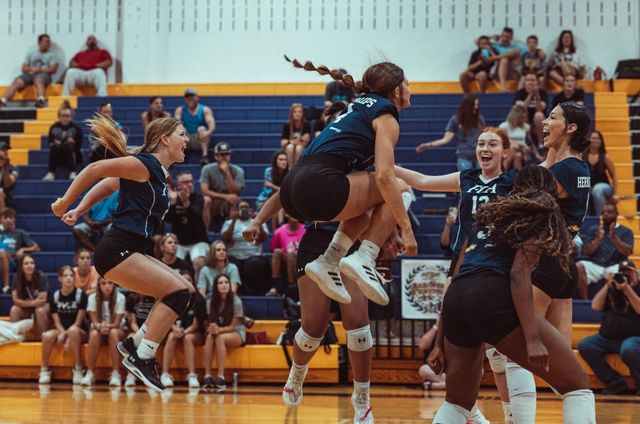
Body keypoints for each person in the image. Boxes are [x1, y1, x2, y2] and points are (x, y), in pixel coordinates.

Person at [430, 165, 596, 423]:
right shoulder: (540, 211)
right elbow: (519, 274)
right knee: (577, 386)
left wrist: (439, 341)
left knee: (458, 403)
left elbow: (456, 275)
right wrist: (531, 339)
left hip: (457, 299)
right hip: (490, 295)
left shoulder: (486, 214)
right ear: (548, 189)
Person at [51, 116, 196, 391]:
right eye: (182, 134)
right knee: (176, 293)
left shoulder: (157, 174)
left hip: (133, 249)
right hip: (117, 250)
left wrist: (79, 210)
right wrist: (65, 203)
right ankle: (143, 357)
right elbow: (96, 169)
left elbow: (110, 185)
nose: (187, 140)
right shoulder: (144, 165)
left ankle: (134, 343)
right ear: (165, 138)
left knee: (186, 292)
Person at [396, 128, 516, 423]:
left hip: (498, 268)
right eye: (481, 143)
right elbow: (421, 181)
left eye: (493, 144)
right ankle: (471, 411)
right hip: (463, 264)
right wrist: (384, 164)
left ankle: (510, 413)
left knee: (498, 353)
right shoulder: (467, 179)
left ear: (506, 152)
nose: (485, 148)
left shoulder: (514, 183)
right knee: (453, 317)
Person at [278, 57, 416, 307]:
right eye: (408, 84)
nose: (411, 89)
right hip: (321, 185)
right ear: (396, 90)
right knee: (402, 189)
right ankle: (365, 257)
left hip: (291, 189)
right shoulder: (386, 115)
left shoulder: (356, 107)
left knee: (363, 211)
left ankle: (328, 261)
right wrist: (406, 231)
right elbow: (386, 178)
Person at [499, 103, 592, 423]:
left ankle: (516, 419)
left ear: (571, 128)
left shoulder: (566, 170)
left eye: (553, 117)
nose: (545, 121)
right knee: (562, 365)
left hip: (545, 260)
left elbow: (524, 196)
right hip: (563, 262)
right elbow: (542, 172)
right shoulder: (575, 166)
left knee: (514, 345)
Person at [578, 259, 640, 395]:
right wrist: (607, 285)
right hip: (607, 338)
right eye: (622, 273)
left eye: (629, 273)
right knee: (586, 345)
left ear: (635, 273)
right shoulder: (612, 287)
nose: (625, 277)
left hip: (634, 338)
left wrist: (627, 289)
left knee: (629, 348)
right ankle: (616, 383)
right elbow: (595, 306)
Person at [39, 266, 88, 385]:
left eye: (71, 275)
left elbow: (78, 322)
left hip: (79, 331)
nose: (69, 278)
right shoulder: (55, 296)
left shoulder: (81, 295)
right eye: (65, 276)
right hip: (62, 329)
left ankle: (78, 369)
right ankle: (44, 369)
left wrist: (67, 336)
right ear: (60, 279)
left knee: (73, 331)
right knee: (46, 336)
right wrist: (63, 334)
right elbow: (57, 323)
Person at [576, 203, 633, 299]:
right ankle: (585, 301)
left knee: (629, 266)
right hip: (596, 265)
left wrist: (615, 239)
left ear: (616, 214)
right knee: (579, 266)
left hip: (615, 265)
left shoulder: (626, 231)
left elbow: (627, 252)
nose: (605, 214)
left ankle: (621, 303)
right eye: (603, 212)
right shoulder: (594, 229)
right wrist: (598, 239)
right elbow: (585, 252)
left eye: (609, 212)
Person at [160, 271, 207, 388]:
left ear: (193, 283)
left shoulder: (199, 299)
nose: (186, 283)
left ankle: (192, 375)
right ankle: (165, 374)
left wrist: (184, 332)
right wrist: (174, 328)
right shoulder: (174, 297)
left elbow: (196, 325)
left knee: (188, 338)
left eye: (189, 280)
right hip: (177, 330)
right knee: (171, 336)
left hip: (195, 332)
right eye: (183, 279)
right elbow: (168, 319)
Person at [416, 95, 485, 171]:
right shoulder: (456, 120)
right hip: (464, 156)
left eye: (477, 105)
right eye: (474, 105)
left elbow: (483, 137)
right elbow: (446, 139)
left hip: (479, 156)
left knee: (481, 180)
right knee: (466, 180)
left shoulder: (479, 119)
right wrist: (428, 145)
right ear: (468, 106)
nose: (476, 107)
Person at [202, 273, 245, 389]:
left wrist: (218, 330)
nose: (224, 285)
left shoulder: (236, 301)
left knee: (219, 338)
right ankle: (207, 376)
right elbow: (209, 322)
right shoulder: (210, 302)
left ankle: (221, 377)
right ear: (215, 286)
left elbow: (232, 326)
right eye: (220, 283)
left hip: (236, 332)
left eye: (226, 282)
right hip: (218, 331)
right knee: (210, 337)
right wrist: (212, 329)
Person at [165, 170, 210, 280]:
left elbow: (196, 216)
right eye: (185, 182)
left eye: (191, 181)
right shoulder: (173, 198)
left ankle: (198, 291)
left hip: (198, 240)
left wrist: (186, 203)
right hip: (179, 241)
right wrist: (172, 204)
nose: (189, 184)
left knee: (199, 262)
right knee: (171, 263)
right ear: (178, 185)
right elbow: (168, 220)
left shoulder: (198, 198)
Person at [82, 278, 126, 386]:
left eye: (110, 283)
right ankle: (89, 373)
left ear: (114, 284)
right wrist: (100, 326)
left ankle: (116, 374)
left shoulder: (121, 298)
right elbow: (94, 321)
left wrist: (107, 326)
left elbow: (116, 323)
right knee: (93, 334)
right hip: (99, 328)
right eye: (103, 283)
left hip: (116, 329)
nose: (107, 286)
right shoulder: (92, 298)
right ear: (99, 285)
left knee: (113, 333)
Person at [221, 200, 271, 296]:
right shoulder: (229, 222)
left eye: (246, 207)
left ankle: (255, 294)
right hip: (234, 255)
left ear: (250, 210)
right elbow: (225, 239)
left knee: (254, 264)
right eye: (241, 207)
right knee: (233, 264)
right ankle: (234, 294)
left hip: (253, 255)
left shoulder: (257, 222)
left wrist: (257, 221)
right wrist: (234, 221)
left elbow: (264, 238)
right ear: (237, 210)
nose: (244, 209)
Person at [0, 34, 58, 108]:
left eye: (49, 42)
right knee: (18, 81)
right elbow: (23, 68)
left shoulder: (52, 55)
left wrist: (39, 70)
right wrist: (31, 69)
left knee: (39, 80)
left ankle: (41, 100)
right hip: (30, 74)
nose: (48, 43)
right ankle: (3, 101)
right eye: (46, 41)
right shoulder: (31, 54)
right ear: (40, 43)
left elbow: (53, 69)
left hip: (44, 75)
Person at [200, 142, 245, 232]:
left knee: (234, 199)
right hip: (213, 200)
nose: (225, 157)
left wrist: (227, 172)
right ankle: (205, 231)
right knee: (206, 200)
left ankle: (231, 232)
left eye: (227, 154)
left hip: (229, 200)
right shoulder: (207, 169)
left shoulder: (238, 170)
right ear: (216, 156)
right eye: (222, 154)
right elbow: (204, 191)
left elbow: (236, 191)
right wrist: (225, 196)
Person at [10, 255, 49, 338]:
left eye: (32, 263)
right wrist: (32, 303)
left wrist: (25, 302)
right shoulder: (17, 278)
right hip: (27, 308)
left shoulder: (41, 276)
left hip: (43, 307)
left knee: (40, 311)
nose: (30, 265)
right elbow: (15, 300)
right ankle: (15, 339)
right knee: (14, 310)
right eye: (26, 263)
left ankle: (41, 340)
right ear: (21, 266)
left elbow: (42, 300)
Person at [43, 101, 84, 181]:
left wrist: (67, 143)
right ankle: (51, 172)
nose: (65, 118)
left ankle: (72, 171)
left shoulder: (77, 129)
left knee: (67, 145)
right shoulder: (53, 127)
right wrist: (57, 143)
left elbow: (78, 146)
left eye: (68, 116)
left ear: (71, 117)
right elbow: (50, 143)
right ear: (59, 116)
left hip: (73, 156)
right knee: (55, 146)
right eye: (63, 116)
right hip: (58, 155)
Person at [174, 88, 216, 166]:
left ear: (197, 97)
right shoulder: (180, 110)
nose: (190, 98)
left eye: (192, 96)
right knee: (181, 128)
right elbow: (175, 123)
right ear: (185, 99)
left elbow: (211, 124)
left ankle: (205, 156)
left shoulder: (204, 109)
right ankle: (181, 153)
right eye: (187, 97)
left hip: (199, 140)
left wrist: (208, 133)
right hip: (186, 140)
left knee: (202, 129)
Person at [583, 131, 617, 216]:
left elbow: (614, 176)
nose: (595, 140)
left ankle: (600, 218)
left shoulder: (605, 157)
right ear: (588, 140)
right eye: (593, 138)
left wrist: (615, 194)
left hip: (605, 187)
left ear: (601, 141)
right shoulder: (582, 156)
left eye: (598, 138)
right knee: (584, 190)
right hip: (588, 186)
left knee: (597, 190)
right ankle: (585, 219)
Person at [270, 217, 306, 295]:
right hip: (287, 256)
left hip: (302, 256)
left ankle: (291, 286)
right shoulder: (279, 231)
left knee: (290, 256)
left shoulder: (305, 229)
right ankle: (275, 284)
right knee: (277, 252)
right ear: (287, 215)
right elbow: (273, 247)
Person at [514, 73, 548, 145]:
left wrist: (537, 96)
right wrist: (530, 95)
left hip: (539, 120)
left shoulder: (542, 92)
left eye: (533, 80)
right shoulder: (520, 93)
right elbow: (521, 108)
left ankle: (541, 144)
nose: (530, 82)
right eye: (528, 80)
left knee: (538, 115)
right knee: (522, 114)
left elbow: (540, 109)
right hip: (524, 117)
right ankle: (525, 143)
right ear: (524, 82)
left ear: (537, 82)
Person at [488, 27, 525, 92]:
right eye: (504, 36)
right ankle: (503, 88)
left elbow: (531, 50)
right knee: (504, 59)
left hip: (512, 72)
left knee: (516, 51)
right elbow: (477, 41)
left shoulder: (516, 46)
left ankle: (495, 58)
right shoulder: (495, 46)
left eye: (507, 37)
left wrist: (539, 51)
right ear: (501, 36)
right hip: (499, 72)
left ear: (511, 38)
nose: (505, 38)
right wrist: (492, 37)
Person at [0, 144, 18, 210]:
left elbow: (8, 184)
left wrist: (5, 168)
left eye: (5, 151)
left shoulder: (13, 168)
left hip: (6, 200)